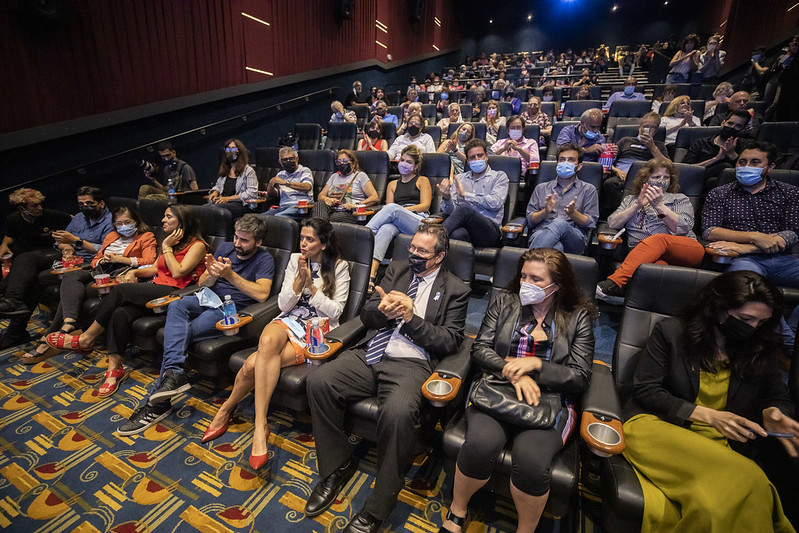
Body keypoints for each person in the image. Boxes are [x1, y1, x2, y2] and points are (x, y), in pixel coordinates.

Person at [304, 223, 470, 533]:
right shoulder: (397, 268)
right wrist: (382, 312)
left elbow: (450, 341)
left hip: (411, 362)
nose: (414, 255)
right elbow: (367, 315)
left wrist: (410, 319)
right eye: (412, 248)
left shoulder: (455, 289)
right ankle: (337, 465)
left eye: (422, 251)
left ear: (439, 256)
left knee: (397, 413)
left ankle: (377, 507)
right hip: (372, 352)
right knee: (319, 381)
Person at [621, 271, 797, 532]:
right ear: (718, 308)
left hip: (719, 439)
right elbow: (647, 391)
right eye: (746, 319)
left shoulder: (760, 344)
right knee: (750, 481)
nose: (753, 328)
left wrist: (775, 411)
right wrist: (708, 416)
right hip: (657, 425)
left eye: (762, 322)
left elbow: (775, 395)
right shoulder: (672, 333)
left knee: (714, 506)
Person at [440, 247, 594, 533]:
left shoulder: (577, 318)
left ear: (557, 284)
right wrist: (512, 372)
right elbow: (481, 349)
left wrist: (536, 366)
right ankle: (458, 510)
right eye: (523, 276)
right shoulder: (504, 302)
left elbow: (580, 377)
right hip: (497, 388)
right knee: (479, 446)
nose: (526, 284)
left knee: (532, 463)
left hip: (548, 400)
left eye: (536, 279)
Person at [202, 218, 348, 468]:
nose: (303, 243)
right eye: (301, 237)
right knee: (268, 339)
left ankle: (227, 408)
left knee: (252, 364)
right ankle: (261, 427)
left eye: (310, 239)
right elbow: (283, 305)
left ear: (323, 244)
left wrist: (311, 288)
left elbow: (335, 312)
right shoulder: (294, 260)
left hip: (314, 330)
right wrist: (297, 283)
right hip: (288, 319)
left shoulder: (339, 266)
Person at [117, 215, 275, 436]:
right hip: (206, 297)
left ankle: (156, 403)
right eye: (236, 237)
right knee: (177, 306)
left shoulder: (264, 259)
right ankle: (174, 374)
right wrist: (211, 275)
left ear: (258, 242)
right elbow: (202, 283)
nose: (237, 244)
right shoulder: (227, 248)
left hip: (228, 309)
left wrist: (230, 275)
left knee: (179, 335)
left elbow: (262, 294)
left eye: (245, 240)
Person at [45, 204, 208, 397]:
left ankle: (86, 338)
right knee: (120, 313)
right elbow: (155, 269)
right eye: (164, 216)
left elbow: (179, 272)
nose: (163, 220)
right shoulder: (171, 243)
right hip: (156, 287)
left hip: (177, 293)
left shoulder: (197, 245)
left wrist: (166, 248)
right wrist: (135, 271)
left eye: (168, 217)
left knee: (120, 291)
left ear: (182, 222)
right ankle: (114, 372)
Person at [23, 206, 157, 362]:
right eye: (119, 223)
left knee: (78, 292)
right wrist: (103, 259)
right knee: (71, 276)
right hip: (101, 270)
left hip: (121, 274)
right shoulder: (111, 236)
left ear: (136, 221)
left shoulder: (146, 236)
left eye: (127, 222)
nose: (123, 226)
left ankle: (50, 337)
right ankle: (68, 323)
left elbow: (149, 262)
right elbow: (95, 260)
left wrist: (120, 259)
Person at [0, 187, 113, 347]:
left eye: (89, 203)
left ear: (101, 203)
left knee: (28, 261)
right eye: (81, 203)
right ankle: (15, 326)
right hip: (69, 259)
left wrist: (77, 241)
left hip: (90, 263)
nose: (84, 206)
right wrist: (66, 247)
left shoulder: (110, 221)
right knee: (31, 275)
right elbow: (61, 240)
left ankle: (20, 326)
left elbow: (106, 250)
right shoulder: (80, 218)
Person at [596, 160, 704, 304]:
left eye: (666, 177)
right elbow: (613, 223)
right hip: (644, 255)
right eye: (656, 177)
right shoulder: (630, 200)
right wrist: (637, 206)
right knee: (656, 268)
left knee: (659, 239)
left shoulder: (679, 199)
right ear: (645, 179)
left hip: (683, 249)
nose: (662, 181)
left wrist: (659, 206)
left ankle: (615, 282)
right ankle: (637, 305)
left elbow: (684, 228)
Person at [703, 141, 799, 289]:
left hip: (784, 260)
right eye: (742, 162)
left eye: (755, 162)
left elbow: (792, 233)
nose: (747, 166)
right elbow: (710, 231)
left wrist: (747, 247)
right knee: (748, 289)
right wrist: (754, 237)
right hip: (742, 259)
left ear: (770, 167)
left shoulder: (790, 193)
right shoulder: (719, 193)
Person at [0, 188, 71, 349]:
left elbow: (74, 220)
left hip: (51, 254)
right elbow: (9, 236)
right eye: (34, 206)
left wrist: (71, 240)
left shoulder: (49, 215)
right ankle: (15, 332)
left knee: (24, 260)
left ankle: (13, 302)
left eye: (40, 205)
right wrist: (3, 245)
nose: (39, 208)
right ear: (22, 208)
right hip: (29, 262)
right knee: (23, 282)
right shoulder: (13, 219)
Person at [366, 145, 432, 288]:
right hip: (396, 221)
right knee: (385, 230)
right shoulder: (392, 184)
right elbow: (390, 212)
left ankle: (365, 235)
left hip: (417, 220)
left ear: (416, 166)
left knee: (391, 208)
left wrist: (401, 210)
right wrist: (396, 211)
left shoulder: (422, 180)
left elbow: (425, 205)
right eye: (402, 160)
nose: (403, 164)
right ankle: (370, 277)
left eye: (409, 162)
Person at [526, 144, 599, 254]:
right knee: (557, 248)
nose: (565, 163)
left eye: (571, 160)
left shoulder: (589, 190)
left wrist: (573, 213)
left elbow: (590, 223)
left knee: (560, 223)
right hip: (541, 233)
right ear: (557, 164)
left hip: (573, 238)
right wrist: (545, 211)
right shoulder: (541, 188)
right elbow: (530, 221)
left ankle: (528, 261)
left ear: (579, 166)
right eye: (562, 160)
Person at [438, 139, 509, 247]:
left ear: (486, 156)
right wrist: (447, 198)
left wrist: (466, 195)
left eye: (480, 155)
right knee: (457, 234)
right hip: (467, 229)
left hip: (489, 231)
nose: (477, 159)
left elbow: (496, 203)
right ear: (467, 161)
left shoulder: (499, 176)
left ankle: (433, 240)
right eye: (472, 157)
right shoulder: (460, 178)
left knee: (465, 209)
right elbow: (451, 212)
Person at [602, 113, 670, 217]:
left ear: (656, 130)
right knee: (610, 184)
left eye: (652, 127)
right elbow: (608, 162)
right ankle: (613, 215)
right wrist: (617, 171)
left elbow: (668, 166)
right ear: (640, 128)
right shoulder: (625, 141)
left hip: (645, 179)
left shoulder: (659, 146)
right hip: (621, 176)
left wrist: (652, 148)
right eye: (646, 126)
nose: (648, 129)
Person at [684, 109, 749, 185]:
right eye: (730, 123)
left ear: (743, 129)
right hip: (698, 181)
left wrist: (732, 154)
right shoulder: (701, 143)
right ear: (723, 123)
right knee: (724, 167)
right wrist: (715, 159)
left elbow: (747, 172)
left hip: (731, 185)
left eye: (738, 126)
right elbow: (685, 169)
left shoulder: (745, 146)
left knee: (716, 179)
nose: (732, 127)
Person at [316, 149, 379, 223]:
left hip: (350, 212)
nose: (342, 163)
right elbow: (320, 196)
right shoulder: (334, 176)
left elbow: (375, 198)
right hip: (332, 209)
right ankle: (320, 224)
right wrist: (327, 199)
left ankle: (319, 225)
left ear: (353, 163)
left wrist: (356, 205)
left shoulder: (360, 176)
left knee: (319, 219)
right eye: (339, 162)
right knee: (318, 205)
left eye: (345, 161)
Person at [207, 138, 258, 218]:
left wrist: (229, 198)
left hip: (241, 204)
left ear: (239, 151)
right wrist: (215, 192)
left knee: (214, 209)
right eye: (228, 148)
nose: (230, 151)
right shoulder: (225, 169)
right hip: (223, 202)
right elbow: (218, 186)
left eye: (233, 148)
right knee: (203, 208)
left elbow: (252, 193)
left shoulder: (248, 171)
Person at [263, 147, 314, 220]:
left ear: (297, 159)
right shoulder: (280, 175)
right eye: (285, 160)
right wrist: (270, 185)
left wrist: (286, 183)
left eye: (291, 158)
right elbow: (273, 195)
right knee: (260, 218)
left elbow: (307, 187)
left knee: (277, 218)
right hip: (283, 207)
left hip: (300, 207)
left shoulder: (304, 170)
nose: (288, 161)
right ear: (280, 162)